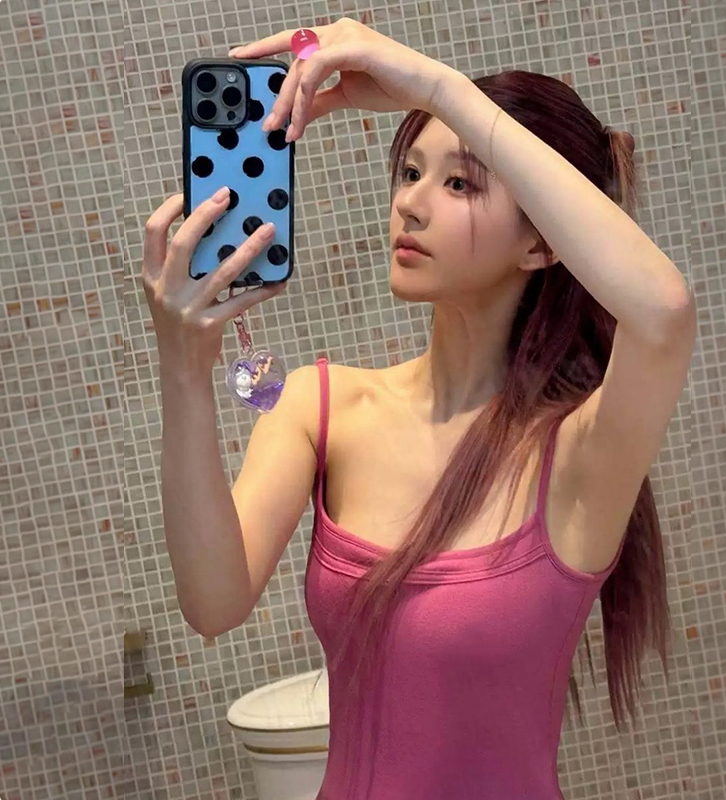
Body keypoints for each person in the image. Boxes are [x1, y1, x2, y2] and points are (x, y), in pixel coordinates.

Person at [141, 19, 696, 800]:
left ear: (542, 244)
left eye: (460, 183)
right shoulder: (322, 407)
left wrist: (439, 86)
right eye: (409, 172)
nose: (411, 204)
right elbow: (212, 602)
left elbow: (663, 311)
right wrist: (182, 367)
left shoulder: (578, 456)